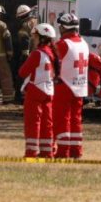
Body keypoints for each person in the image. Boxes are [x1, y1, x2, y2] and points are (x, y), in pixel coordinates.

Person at [53, 13, 101, 159]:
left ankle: (62, 152)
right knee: (75, 120)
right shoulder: (83, 43)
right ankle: (76, 150)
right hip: (79, 87)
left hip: (64, 86)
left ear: (62, 27)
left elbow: (49, 61)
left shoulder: (62, 45)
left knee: (62, 119)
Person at [18, 23, 57, 158]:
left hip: (35, 90)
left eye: (35, 37)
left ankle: (31, 152)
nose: (33, 40)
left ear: (41, 38)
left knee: (33, 122)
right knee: (47, 123)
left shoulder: (37, 54)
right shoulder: (53, 53)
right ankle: (47, 151)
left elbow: (22, 72)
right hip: (49, 91)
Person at [12, 5, 37, 102]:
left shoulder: (25, 25)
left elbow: (24, 40)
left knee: (21, 75)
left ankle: (19, 97)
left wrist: (25, 54)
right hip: (39, 53)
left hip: (29, 54)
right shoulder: (37, 21)